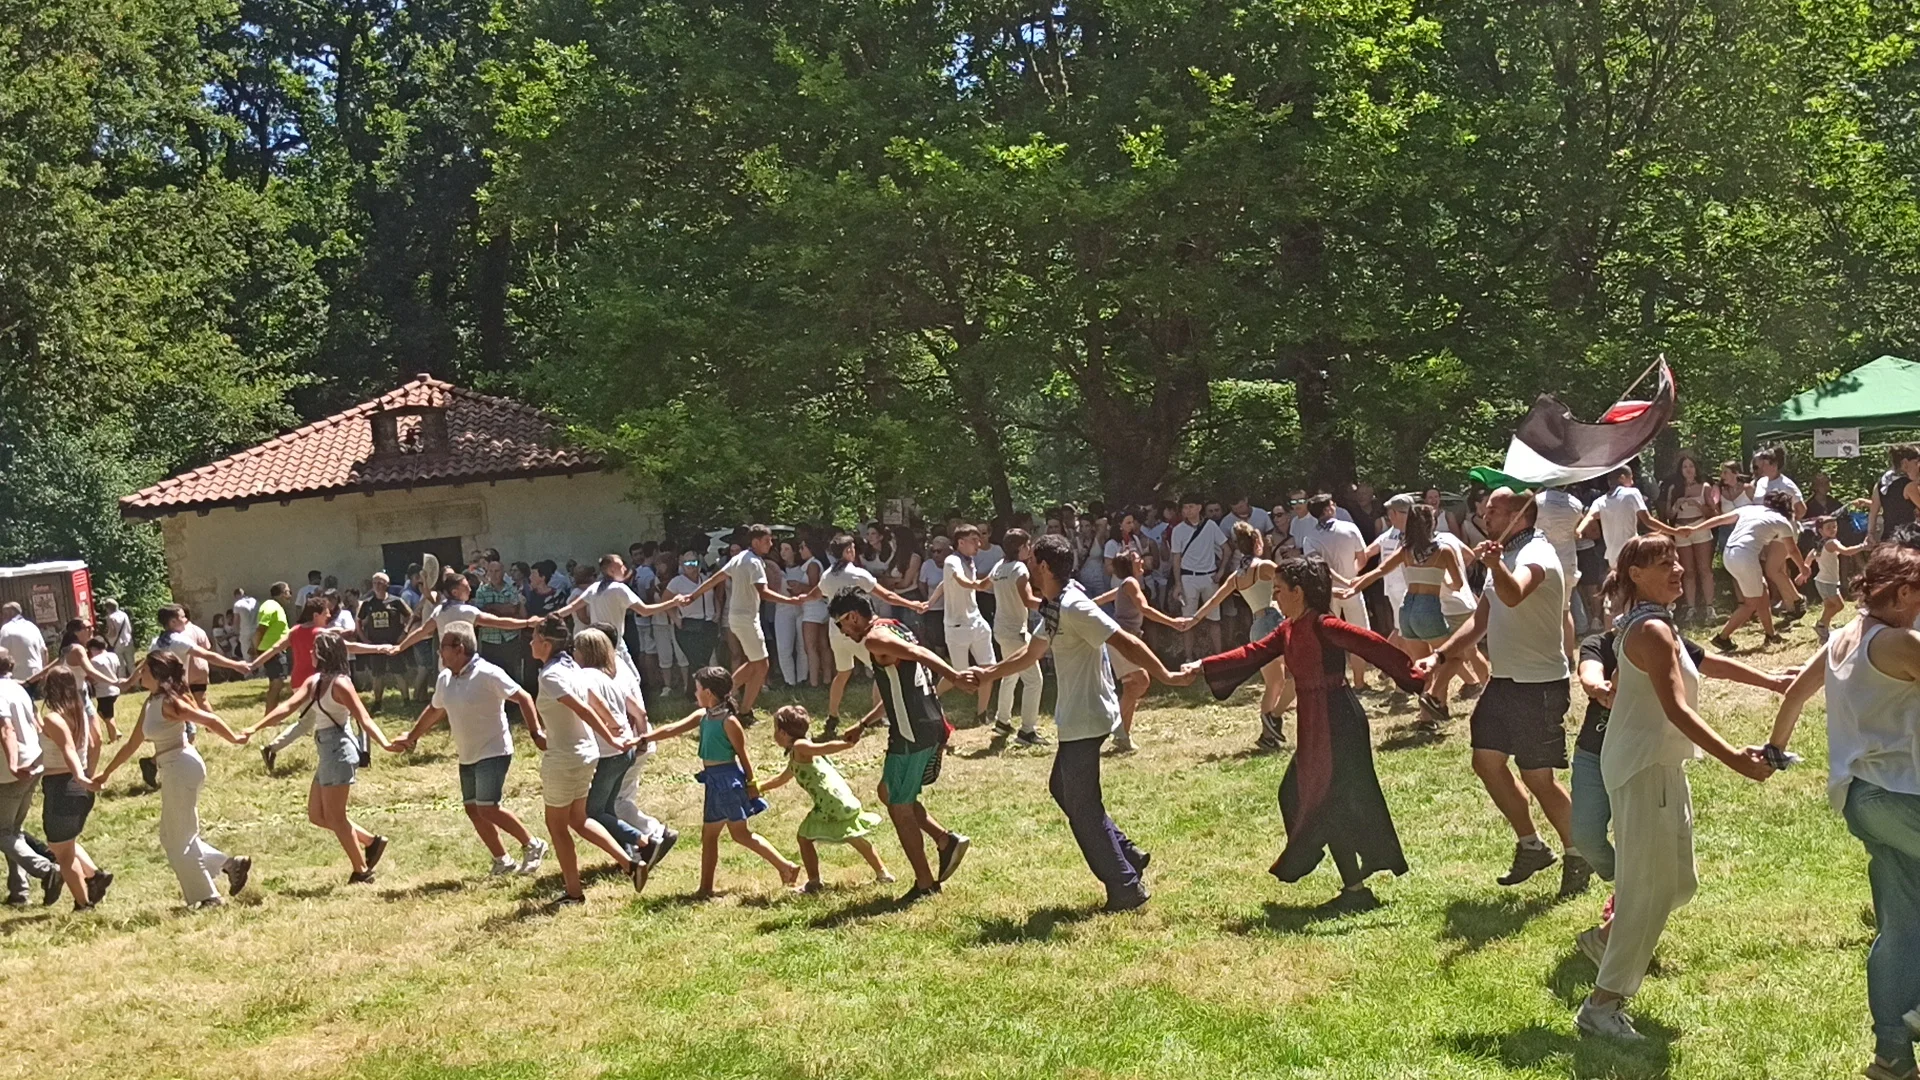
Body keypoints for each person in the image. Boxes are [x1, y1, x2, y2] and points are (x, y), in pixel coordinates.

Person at [1561, 534, 1777, 1040]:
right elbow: (1676, 710)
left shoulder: (1654, 624)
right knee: (1646, 893)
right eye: (1664, 563)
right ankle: (1601, 1005)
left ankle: (1605, 940)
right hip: (1644, 769)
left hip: (1659, 766)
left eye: (1677, 560)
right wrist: (1735, 759)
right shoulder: (1651, 629)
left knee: (1679, 884)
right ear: (1635, 575)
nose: (1678, 569)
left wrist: (1773, 681)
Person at [968, 534, 1197, 912]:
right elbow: (1030, 653)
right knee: (1062, 788)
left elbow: (1125, 641)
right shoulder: (1056, 605)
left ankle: (1125, 888)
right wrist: (988, 673)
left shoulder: (1073, 606)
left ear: (1043, 566)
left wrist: (1167, 676)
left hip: (1087, 717)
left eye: (1031, 560)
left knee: (1083, 807)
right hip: (1077, 716)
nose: (1027, 565)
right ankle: (1128, 855)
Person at [1767, 544, 1920, 1080]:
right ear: (1903, 592)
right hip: (1898, 795)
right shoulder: (1900, 642)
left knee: (1900, 928)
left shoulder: (1841, 638)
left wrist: (1774, 750)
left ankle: (1892, 1055)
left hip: (1860, 799)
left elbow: (1794, 694)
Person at [1198, 556, 1425, 910]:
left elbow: (1373, 645)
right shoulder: (1289, 629)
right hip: (1315, 720)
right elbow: (1253, 652)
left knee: (1325, 799)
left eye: (1278, 590)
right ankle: (1340, 871)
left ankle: (1354, 888)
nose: (1274, 597)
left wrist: (1415, 676)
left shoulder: (1324, 625)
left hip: (1339, 719)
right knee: (1300, 795)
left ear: (1298, 592)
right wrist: (1203, 667)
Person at [1415, 488, 1592, 896]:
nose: (1484, 515)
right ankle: (1532, 845)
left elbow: (1514, 595)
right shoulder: (1507, 554)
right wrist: (1440, 656)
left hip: (1539, 684)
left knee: (1538, 777)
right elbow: (1480, 620)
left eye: (1493, 510)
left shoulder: (1537, 554)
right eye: (1485, 509)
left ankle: (1579, 853)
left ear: (1519, 514)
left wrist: (1495, 565)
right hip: (1506, 681)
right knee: (1486, 761)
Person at [828, 591, 977, 903]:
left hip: (912, 733)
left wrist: (954, 677)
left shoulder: (875, 639)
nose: (843, 632)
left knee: (899, 806)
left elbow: (917, 653)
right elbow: (898, 686)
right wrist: (864, 724)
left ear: (853, 616)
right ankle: (944, 840)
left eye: (841, 624)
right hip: (926, 725)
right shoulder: (895, 626)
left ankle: (925, 883)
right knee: (888, 792)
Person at [95, 652, 254, 908]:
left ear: (158, 675)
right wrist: (106, 773)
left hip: (181, 767)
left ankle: (208, 896)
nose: (139, 674)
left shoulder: (170, 702)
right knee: (173, 836)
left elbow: (209, 718)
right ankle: (230, 864)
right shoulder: (151, 702)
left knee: (179, 839)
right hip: (174, 769)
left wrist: (234, 738)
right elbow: (132, 744)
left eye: (144, 670)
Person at [390, 626, 549, 876]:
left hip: (494, 750)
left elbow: (523, 697)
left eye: (443, 647)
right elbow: (435, 709)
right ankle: (503, 860)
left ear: (459, 649)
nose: (439, 651)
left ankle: (533, 844)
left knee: (488, 808)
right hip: (467, 754)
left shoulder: (488, 673)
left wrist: (536, 733)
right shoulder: (445, 678)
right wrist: (411, 737)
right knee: (473, 809)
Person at [245, 633, 396, 883]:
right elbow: (287, 707)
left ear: (324, 654)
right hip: (327, 751)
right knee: (317, 815)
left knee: (336, 817)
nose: (310, 653)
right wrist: (254, 727)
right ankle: (371, 842)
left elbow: (365, 718)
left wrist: (386, 744)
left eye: (314, 650)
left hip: (339, 751)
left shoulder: (341, 684)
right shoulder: (314, 681)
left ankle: (362, 871)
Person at [643, 666, 801, 898]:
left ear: (708, 692)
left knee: (725, 835)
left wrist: (752, 784)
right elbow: (672, 729)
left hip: (727, 783)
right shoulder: (703, 716)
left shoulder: (728, 722)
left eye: (697, 689)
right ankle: (783, 868)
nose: (695, 693)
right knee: (728, 835)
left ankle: (710, 887)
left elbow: (743, 755)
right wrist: (645, 738)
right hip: (714, 781)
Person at [526, 621, 645, 904]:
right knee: (578, 819)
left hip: (565, 758)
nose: (530, 643)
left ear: (546, 643)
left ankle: (574, 892)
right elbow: (591, 698)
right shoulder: (571, 668)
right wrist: (613, 724)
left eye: (534, 638)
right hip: (586, 755)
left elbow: (582, 707)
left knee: (557, 826)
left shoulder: (551, 675)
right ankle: (629, 864)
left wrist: (611, 735)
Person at [1342, 504, 1465, 725]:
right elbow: (1458, 584)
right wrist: (1445, 579)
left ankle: (1428, 716)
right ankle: (1434, 698)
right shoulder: (1443, 550)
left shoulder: (1405, 550)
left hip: (1406, 610)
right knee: (1454, 657)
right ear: (1432, 524)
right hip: (1428, 609)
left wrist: (1355, 587)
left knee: (1422, 665)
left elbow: (1379, 571)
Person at [676, 525, 808, 721]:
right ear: (755, 541)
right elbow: (763, 592)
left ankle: (728, 698)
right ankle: (737, 706)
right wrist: (791, 600)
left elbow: (715, 579)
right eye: (767, 541)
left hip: (737, 618)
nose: (771, 544)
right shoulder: (754, 562)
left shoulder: (739, 558)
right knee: (761, 665)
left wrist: (693, 595)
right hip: (746, 619)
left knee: (757, 663)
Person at [799, 533, 926, 736]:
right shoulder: (857, 574)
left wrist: (797, 599)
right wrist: (912, 604)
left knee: (843, 673)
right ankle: (878, 715)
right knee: (881, 671)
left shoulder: (828, 575)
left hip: (837, 631)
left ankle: (832, 716)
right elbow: (887, 595)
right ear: (848, 551)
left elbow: (814, 594)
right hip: (858, 630)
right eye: (852, 548)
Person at [759, 705, 894, 892]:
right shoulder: (797, 752)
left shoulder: (801, 747)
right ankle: (883, 873)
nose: (774, 734)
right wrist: (760, 787)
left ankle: (814, 882)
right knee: (854, 837)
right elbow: (782, 778)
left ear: (783, 732)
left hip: (830, 803)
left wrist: (846, 744)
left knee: (804, 838)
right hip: (837, 800)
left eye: (775, 729)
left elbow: (824, 747)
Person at [1189, 521, 1292, 750]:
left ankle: (1268, 734)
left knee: (1274, 682)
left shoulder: (1238, 575)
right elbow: (1291, 581)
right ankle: (1273, 719)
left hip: (1256, 625)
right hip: (1272, 621)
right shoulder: (1264, 566)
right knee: (1292, 677)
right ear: (1257, 542)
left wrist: (1193, 620)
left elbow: (1214, 600)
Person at [1090, 550, 1191, 753]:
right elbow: (1145, 609)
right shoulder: (1130, 583)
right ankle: (1111, 727)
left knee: (1132, 687)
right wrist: (1172, 622)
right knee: (1142, 680)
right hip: (1124, 640)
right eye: (1138, 559)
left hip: (1123, 639)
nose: (1142, 561)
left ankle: (1123, 737)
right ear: (1130, 564)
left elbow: (1105, 597)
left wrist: (1086, 605)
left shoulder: (1125, 584)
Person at [1684, 490, 1807, 652]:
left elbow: (1720, 520)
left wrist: (1694, 529)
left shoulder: (1750, 509)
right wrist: (1803, 568)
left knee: (1762, 591)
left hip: (1729, 553)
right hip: (1745, 557)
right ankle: (1722, 638)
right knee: (1751, 603)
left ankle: (1770, 635)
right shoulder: (1782, 521)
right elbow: (1792, 550)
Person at [31, 667, 108, 910]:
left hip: (62, 787)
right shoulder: (80, 713)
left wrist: (80, 776)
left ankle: (84, 903)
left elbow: (68, 750)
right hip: (77, 788)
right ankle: (94, 876)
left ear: (49, 688)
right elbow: (95, 741)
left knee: (63, 854)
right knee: (65, 844)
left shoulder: (54, 718)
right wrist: (88, 774)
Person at [1578, 463, 1687, 621]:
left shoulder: (1600, 501)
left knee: (1616, 595)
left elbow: (1588, 518)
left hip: (1613, 556)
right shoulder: (1632, 493)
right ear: (1623, 478)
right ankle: (1645, 620)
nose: (1633, 482)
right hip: (1632, 553)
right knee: (1639, 591)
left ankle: (1614, 627)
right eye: (1631, 478)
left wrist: (1579, 530)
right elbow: (1648, 520)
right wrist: (1674, 531)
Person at [390, 571, 544, 667]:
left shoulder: (440, 610)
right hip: (466, 665)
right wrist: (527, 623)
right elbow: (499, 622)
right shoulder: (467, 611)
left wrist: (401, 647)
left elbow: (422, 631)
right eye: (465, 587)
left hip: (446, 665)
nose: (470, 589)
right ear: (455, 592)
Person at [0, 656, 58, 906]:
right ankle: (19, 892)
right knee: (14, 831)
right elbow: (35, 723)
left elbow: (6, 729)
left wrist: (12, 764)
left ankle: (46, 870)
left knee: (3, 833)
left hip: (10, 771)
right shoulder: (18, 689)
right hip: (33, 763)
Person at [1300, 494, 1374, 688]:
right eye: (1332, 504)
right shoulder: (1350, 528)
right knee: (1359, 635)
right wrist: (1351, 577)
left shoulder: (1310, 537)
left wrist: (1338, 580)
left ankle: (1335, 681)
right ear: (1327, 509)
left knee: (1329, 638)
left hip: (1326, 592)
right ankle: (1359, 682)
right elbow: (1362, 558)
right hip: (1352, 588)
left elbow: (1320, 568)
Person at [988, 529, 1047, 745]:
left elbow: (982, 585)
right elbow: (1028, 600)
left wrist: (963, 583)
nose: (1030, 549)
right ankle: (1027, 732)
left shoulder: (998, 566)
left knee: (1010, 674)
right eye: (1028, 545)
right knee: (1034, 681)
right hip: (1015, 632)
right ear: (1020, 548)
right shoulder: (1020, 568)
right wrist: (1053, 605)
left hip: (1001, 629)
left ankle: (1002, 721)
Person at [939, 524, 997, 721]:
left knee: (988, 669)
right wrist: (978, 585)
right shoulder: (952, 561)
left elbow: (944, 583)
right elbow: (958, 579)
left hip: (977, 621)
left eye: (979, 539)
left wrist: (929, 601)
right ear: (961, 542)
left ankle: (982, 715)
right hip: (957, 627)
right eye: (974, 540)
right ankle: (929, 698)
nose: (978, 544)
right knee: (957, 676)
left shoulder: (969, 560)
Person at [1659, 452, 1719, 626]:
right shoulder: (1674, 488)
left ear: (1696, 468)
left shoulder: (1704, 486)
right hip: (1681, 530)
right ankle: (1691, 607)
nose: (1688, 470)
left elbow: (1713, 513)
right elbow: (1668, 515)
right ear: (1680, 470)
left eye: (1691, 466)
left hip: (1700, 528)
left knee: (1705, 569)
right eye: (1685, 467)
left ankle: (1709, 607)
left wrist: (1698, 505)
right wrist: (1676, 505)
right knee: (1688, 571)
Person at [1170, 496, 1231, 661]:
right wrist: (1177, 583)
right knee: (1187, 621)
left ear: (1199, 508)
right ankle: (1188, 658)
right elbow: (1176, 558)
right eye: (1185, 507)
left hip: (1209, 576)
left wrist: (1221, 571)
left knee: (1214, 619)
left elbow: (1226, 549)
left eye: (1191, 506)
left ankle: (1219, 657)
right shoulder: (1178, 530)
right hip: (1188, 577)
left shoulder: (1210, 526)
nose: (1187, 510)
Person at [1800, 516, 1872, 642]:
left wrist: (1804, 571)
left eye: (1834, 526)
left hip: (1821, 581)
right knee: (1839, 605)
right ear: (1821, 531)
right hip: (1828, 582)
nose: (1833, 529)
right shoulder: (1832, 543)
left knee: (1829, 606)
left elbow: (1810, 557)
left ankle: (1823, 627)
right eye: (1828, 528)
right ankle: (1822, 624)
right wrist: (1862, 546)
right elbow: (1847, 551)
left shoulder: (1820, 544)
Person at [356, 572, 414, 712]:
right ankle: (377, 703)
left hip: (393, 643)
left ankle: (406, 701)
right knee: (377, 675)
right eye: (375, 583)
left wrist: (404, 633)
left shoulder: (396, 601)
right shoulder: (367, 604)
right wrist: (364, 639)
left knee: (399, 672)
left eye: (380, 583)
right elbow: (358, 621)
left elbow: (410, 616)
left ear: (387, 585)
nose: (377, 586)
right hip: (375, 645)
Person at [665, 550, 723, 671]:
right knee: (696, 662)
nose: (691, 566)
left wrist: (717, 612)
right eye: (687, 563)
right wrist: (676, 619)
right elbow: (665, 601)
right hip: (689, 625)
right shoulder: (677, 582)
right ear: (682, 565)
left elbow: (714, 597)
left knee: (705, 660)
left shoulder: (705, 579)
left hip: (708, 624)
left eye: (694, 562)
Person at [774, 540, 813, 689]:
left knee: (802, 647)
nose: (783, 552)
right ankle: (789, 681)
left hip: (802, 609)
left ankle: (802, 678)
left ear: (794, 551)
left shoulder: (803, 569)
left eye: (787, 549)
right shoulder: (777, 570)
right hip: (783, 609)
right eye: (781, 549)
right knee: (784, 647)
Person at [255, 583, 294, 710]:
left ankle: (271, 714)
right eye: (288, 592)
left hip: (276, 650)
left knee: (277, 683)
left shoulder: (276, 606)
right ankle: (270, 715)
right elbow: (261, 628)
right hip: (272, 650)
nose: (290, 595)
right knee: (276, 683)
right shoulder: (271, 606)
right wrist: (256, 648)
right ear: (282, 593)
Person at [1871, 444, 1920, 542]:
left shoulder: (1880, 484)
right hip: (1906, 538)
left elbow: (1873, 512)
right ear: (1905, 463)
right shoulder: (1909, 485)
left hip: (1887, 538)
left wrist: (1870, 533)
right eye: (1916, 462)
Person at [0, 603, 47, 693]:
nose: (2, 617)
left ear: (11, 613)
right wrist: (44, 674)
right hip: (36, 674)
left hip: (18, 677)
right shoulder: (32, 626)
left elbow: (2, 654)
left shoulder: (6, 628)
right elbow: (44, 651)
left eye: (4, 613)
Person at [100, 599, 133, 673]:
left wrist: (106, 636)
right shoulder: (124, 614)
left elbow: (112, 633)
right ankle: (136, 679)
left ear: (108, 608)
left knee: (120, 666)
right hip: (128, 641)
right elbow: (129, 628)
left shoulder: (110, 618)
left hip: (117, 644)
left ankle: (123, 679)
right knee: (131, 664)